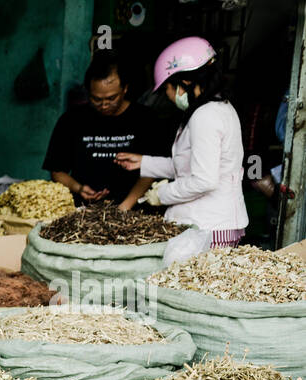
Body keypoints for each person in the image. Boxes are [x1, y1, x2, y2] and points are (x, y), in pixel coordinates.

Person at [115, 37, 249, 246]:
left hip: (208, 228)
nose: (167, 96)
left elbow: (204, 180)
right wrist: (144, 162)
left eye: (167, 89)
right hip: (213, 224)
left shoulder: (205, 116)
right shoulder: (218, 108)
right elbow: (190, 166)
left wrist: (162, 194)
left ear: (184, 83)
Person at [43, 50, 159, 209]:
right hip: (82, 211)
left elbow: (152, 170)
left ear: (125, 89)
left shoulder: (145, 119)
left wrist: (125, 206)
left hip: (135, 211)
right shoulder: (71, 120)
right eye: (96, 99)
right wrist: (79, 188)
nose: (104, 105)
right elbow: (57, 170)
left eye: (111, 98)